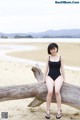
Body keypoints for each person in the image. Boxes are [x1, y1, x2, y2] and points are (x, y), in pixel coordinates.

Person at [43, 43, 65, 119]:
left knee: (57, 91)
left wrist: (64, 78)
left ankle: (59, 111)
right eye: (51, 49)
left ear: (56, 48)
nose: (53, 50)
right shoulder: (48, 57)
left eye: (54, 48)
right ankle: (47, 110)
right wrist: (44, 78)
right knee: (50, 92)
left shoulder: (61, 57)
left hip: (59, 76)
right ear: (49, 50)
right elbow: (46, 68)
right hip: (49, 76)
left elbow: (62, 68)